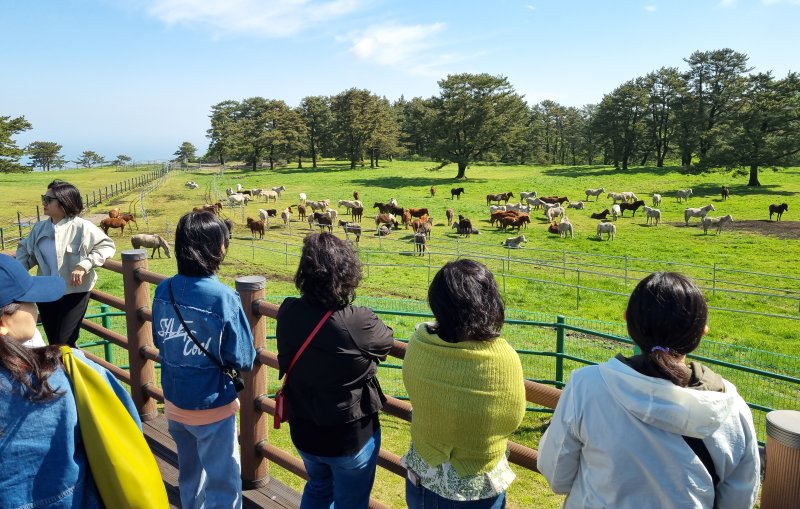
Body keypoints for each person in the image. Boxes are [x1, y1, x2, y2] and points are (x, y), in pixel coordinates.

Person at [537, 272, 760, 509]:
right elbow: (739, 500)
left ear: (627, 320)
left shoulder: (586, 386)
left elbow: (557, 475)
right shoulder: (733, 409)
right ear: (702, 331)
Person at [0, 253, 140, 508]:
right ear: (2, 324)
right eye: (28, 299)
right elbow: (127, 429)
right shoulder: (64, 374)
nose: (36, 306)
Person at [276, 232, 394, 509]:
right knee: (351, 502)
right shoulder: (357, 321)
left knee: (317, 488)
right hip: (348, 437)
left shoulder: (288, 310)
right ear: (347, 273)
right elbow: (385, 341)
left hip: (304, 429)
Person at [151, 211, 256, 509]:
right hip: (211, 405)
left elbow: (160, 340)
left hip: (174, 400)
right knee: (223, 480)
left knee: (189, 474)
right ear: (216, 247)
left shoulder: (163, 289)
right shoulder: (222, 297)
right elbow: (243, 358)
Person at [402, 259, 527, 509]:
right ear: (488, 303)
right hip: (476, 486)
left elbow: (412, 388)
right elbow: (513, 417)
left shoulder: (420, 342)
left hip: (423, 474)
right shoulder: (502, 356)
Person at [16, 179, 115, 346]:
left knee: (64, 342)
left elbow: (106, 246)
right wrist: (18, 273)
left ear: (64, 203)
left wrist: (84, 265)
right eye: (44, 198)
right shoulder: (39, 228)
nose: (44, 203)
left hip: (74, 292)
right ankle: (64, 371)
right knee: (54, 342)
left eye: (48, 199)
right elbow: (25, 251)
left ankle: (70, 370)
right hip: (46, 292)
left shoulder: (83, 227)